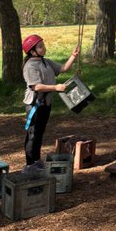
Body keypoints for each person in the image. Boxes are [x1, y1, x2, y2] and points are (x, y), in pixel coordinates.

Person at [21, 35, 78, 170]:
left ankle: (36, 160)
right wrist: (56, 87)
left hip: (46, 103)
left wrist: (73, 56)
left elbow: (63, 68)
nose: (44, 48)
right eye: (40, 46)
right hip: (34, 104)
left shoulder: (45, 61)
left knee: (40, 132)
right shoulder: (30, 66)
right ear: (32, 52)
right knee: (32, 134)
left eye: (43, 45)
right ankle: (30, 164)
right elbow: (36, 86)